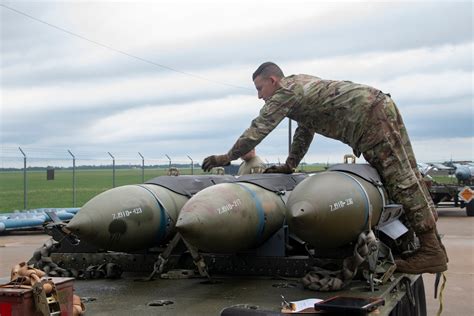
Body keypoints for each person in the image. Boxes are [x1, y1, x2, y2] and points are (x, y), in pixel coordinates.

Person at [202, 62, 448, 274]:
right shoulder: (301, 84)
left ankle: (431, 251)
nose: (259, 96)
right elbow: (305, 129)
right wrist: (290, 165)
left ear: (273, 80)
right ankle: (432, 244)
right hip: (377, 106)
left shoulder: (284, 92)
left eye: (259, 88)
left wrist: (226, 157)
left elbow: (258, 129)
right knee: (409, 175)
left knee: (400, 180)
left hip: (368, 118)